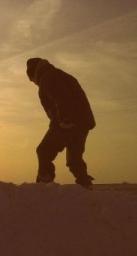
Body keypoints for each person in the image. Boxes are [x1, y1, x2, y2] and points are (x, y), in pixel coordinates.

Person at [26, 58, 96, 189]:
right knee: (74, 158)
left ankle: (45, 181)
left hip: (67, 120)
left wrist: (65, 118)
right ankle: (85, 183)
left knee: (44, 150)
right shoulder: (58, 74)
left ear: (32, 73)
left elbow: (62, 96)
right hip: (82, 122)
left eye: (31, 80)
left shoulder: (48, 77)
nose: (33, 83)